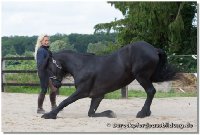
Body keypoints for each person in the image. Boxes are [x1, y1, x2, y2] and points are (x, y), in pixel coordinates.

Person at [34, 34, 57, 114]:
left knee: (54, 89)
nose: (47, 42)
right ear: (41, 42)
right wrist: (48, 57)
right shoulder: (41, 51)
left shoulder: (46, 50)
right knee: (44, 90)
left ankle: (54, 106)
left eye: (48, 40)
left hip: (49, 73)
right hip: (43, 73)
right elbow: (40, 65)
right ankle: (39, 108)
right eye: (45, 40)